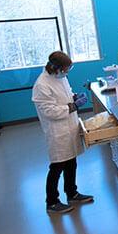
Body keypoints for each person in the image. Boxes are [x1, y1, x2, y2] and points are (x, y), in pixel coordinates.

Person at [32, 51, 94, 214]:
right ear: (54, 67)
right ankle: (51, 202)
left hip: (69, 126)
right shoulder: (42, 85)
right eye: (65, 69)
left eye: (68, 69)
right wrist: (73, 106)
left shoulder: (60, 77)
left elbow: (65, 94)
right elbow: (49, 111)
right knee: (57, 166)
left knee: (71, 162)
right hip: (57, 131)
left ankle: (72, 193)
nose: (66, 72)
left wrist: (74, 97)